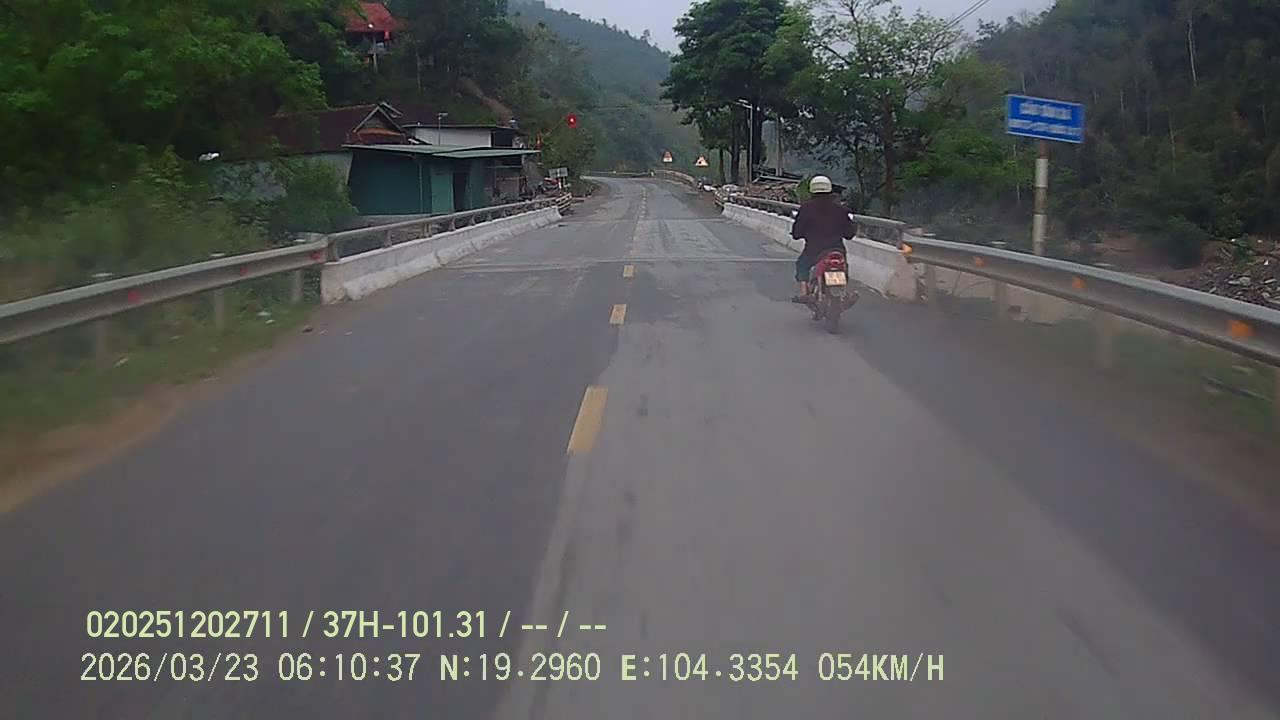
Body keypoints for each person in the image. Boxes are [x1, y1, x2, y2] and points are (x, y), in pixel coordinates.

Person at [790, 175, 855, 303]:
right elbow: (849, 234)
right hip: (837, 249)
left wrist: (799, 234)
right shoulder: (840, 209)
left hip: (814, 250)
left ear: (812, 189)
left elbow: (797, 233)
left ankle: (803, 293)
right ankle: (844, 292)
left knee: (802, 265)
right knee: (842, 265)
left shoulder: (806, 209)